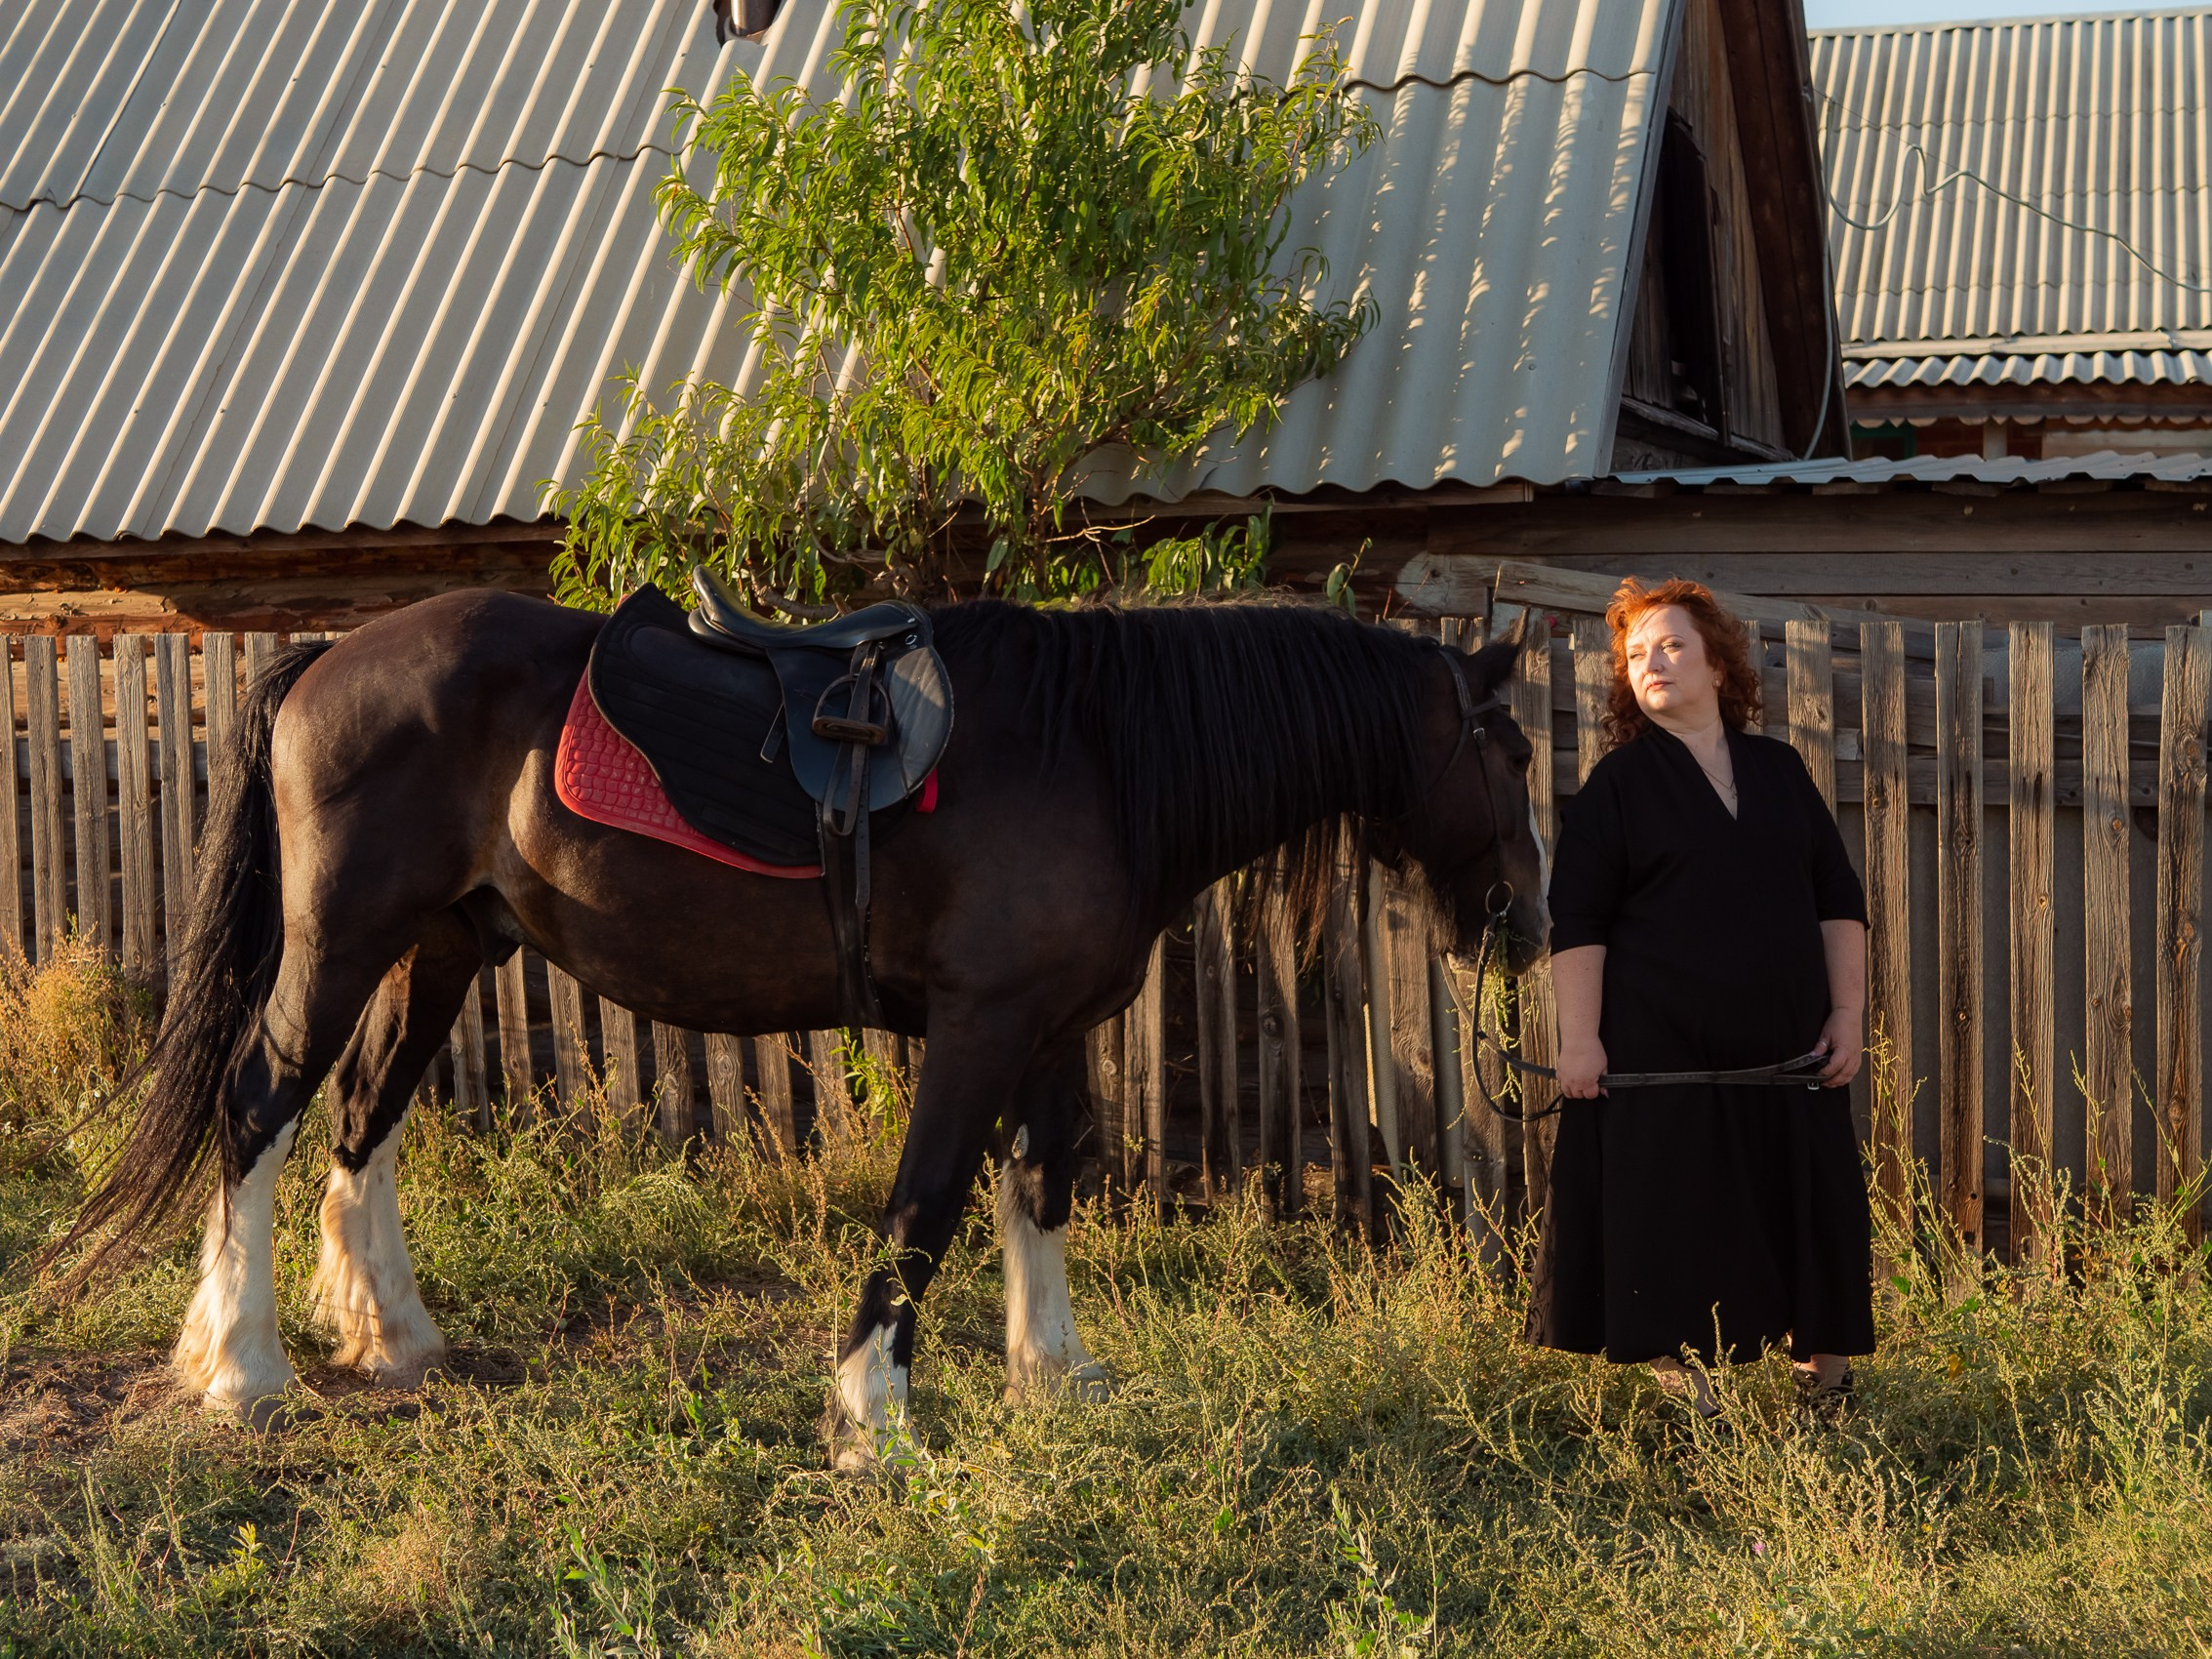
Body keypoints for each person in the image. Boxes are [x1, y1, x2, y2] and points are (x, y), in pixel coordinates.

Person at [1524, 578, 1875, 1418]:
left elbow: (1836, 896)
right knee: (1667, 1224)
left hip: (1791, 1061)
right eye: (1635, 654)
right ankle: (1694, 1412)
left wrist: (1845, 1014)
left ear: (1718, 665)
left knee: (1811, 1212)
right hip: (1661, 1065)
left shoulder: (1778, 770)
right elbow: (1578, 921)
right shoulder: (1617, 785)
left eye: (1671, 644)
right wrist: (1579, 1040)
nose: (1651, 662)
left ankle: (1825, 1396)